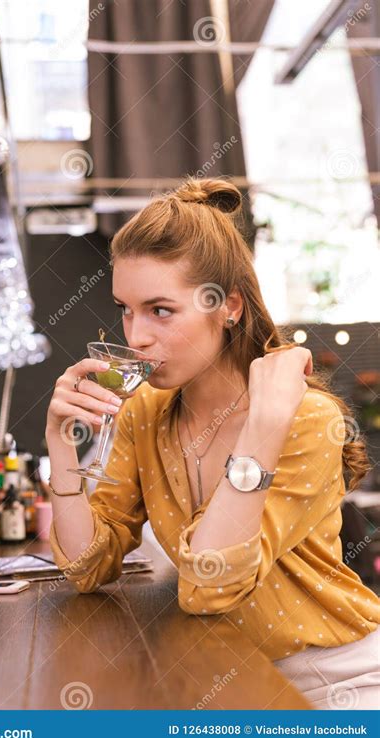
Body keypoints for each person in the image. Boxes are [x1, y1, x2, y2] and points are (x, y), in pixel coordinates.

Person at [45, 177, 380, 709]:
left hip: (332, 683)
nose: (135, 338)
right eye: (125, 310)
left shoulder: (305, 418)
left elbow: (209, 586)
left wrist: (263, 427)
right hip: (220, 671)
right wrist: (62, 451)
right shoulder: (146, 413)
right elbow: (89, 565)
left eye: (160, 310)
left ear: (229, 307)